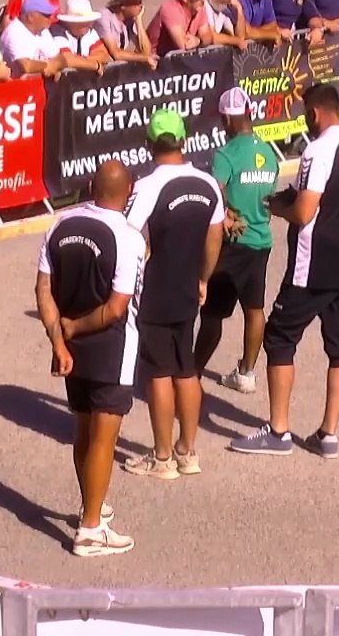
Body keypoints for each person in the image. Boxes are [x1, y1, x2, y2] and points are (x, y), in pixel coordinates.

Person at [232, 83, 339, 460]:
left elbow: (303, 211)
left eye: (304, 115)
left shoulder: (318, 149)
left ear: (314, 113)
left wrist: (274, 207)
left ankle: (278, 431)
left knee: (279, 338)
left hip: (313, 265)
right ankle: (328, 434)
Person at [35, 159, 144, 557]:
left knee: (82, 432)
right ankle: (91, 529)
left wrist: (58, 340)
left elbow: (43, 288)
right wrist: (74, 330)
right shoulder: (129, 238)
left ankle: (91, 507)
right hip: (111, 347)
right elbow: (117, 308)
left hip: (72, 352)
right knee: (104, 439)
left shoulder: (59, 224)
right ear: (128, 191)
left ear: (92, 186)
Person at [121, 109, 224, 480]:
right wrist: (203, 277)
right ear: (183, 140)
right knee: (186, 367)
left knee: (158, 372)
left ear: (149, 144)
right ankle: (188, 450)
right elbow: (215, 237)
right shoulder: (207, 183)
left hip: (157, 287)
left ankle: (162, 457)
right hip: (187, 287)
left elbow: (127, 233)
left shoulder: (148, 186)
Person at [194, 88, 279, 394]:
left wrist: (227, 214)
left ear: (227, 118)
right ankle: (246, 373)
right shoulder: (269, 152)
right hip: (262, 241)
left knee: (213, 315)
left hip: (234, 242)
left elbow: (214, 191)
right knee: (254, 309)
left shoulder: (225, 154)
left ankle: (193, 374)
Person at [0, 0, 67, 78]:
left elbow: (58, 58)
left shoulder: (43, 31)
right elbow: (26, 66)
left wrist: (55, 66)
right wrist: (50, 66)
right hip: (15, 87)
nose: (51, 18)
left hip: (37, 87)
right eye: (46, 15)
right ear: (30, 17)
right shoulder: (14, 32)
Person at [146, 0, 216, 57]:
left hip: (176, 59)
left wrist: (198, 41)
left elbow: (208, 36)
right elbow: (184, 45)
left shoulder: (199, 8)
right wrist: (198, 41)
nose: (203, 1)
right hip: (152, 59)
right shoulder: (170, 9)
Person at [94, 0, 157, 67]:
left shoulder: (130, 19)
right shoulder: (103, 18)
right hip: (97, 69)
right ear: (123, 5)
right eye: (136, 2)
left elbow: (146, 52)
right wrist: (144, 58)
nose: (141, 6)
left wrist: (138, 22)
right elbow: (116, 54)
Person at [48, 0, 110, 72]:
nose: (90, 25)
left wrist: (81, 62)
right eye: (85, 22)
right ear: (72, 22)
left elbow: (103, 54)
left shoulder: (89, 31)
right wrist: (95, 65)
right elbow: (66, 59)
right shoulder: (57, 31)